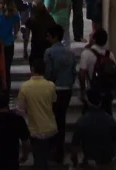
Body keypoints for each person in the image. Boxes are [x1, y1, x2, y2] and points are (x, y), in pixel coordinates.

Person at [16, 58, 57, 170]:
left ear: (32, 69)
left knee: (39, 159)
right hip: (50, 126)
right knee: (43, 158)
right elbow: (53, 101)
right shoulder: (51, 85)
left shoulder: (25, 87)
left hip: (34, 128)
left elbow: (20, 110)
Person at [44, 24, 76, 164]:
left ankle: (52, 149)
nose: (47, 39)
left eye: (49, 36)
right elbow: (74, 72)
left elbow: (48, 73)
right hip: (67, 89)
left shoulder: (49, 52)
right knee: (61, 120)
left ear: (54, 37)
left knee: (52, 119)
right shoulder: (70, 53)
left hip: (54, 88)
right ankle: (60, 151)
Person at [71, 89, 116, 169]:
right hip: (109, 160)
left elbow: (75, 147)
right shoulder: (109, 119)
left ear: (88, 102)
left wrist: (75, 162)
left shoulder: (82, 121)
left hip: (91, 161)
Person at [78, 28, 116, 114]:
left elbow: (82, 74)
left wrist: (82, 90)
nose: (89, 36)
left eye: (91, 35)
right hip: (107, 91)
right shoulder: (110, 54)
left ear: (94, 39)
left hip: (92, 91)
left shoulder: (86, 54)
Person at [0, 0, 20, 95]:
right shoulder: (15, 13)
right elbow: (17, 27)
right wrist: (14, 35)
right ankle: (6, 91)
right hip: (9, 43)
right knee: (7, 69)